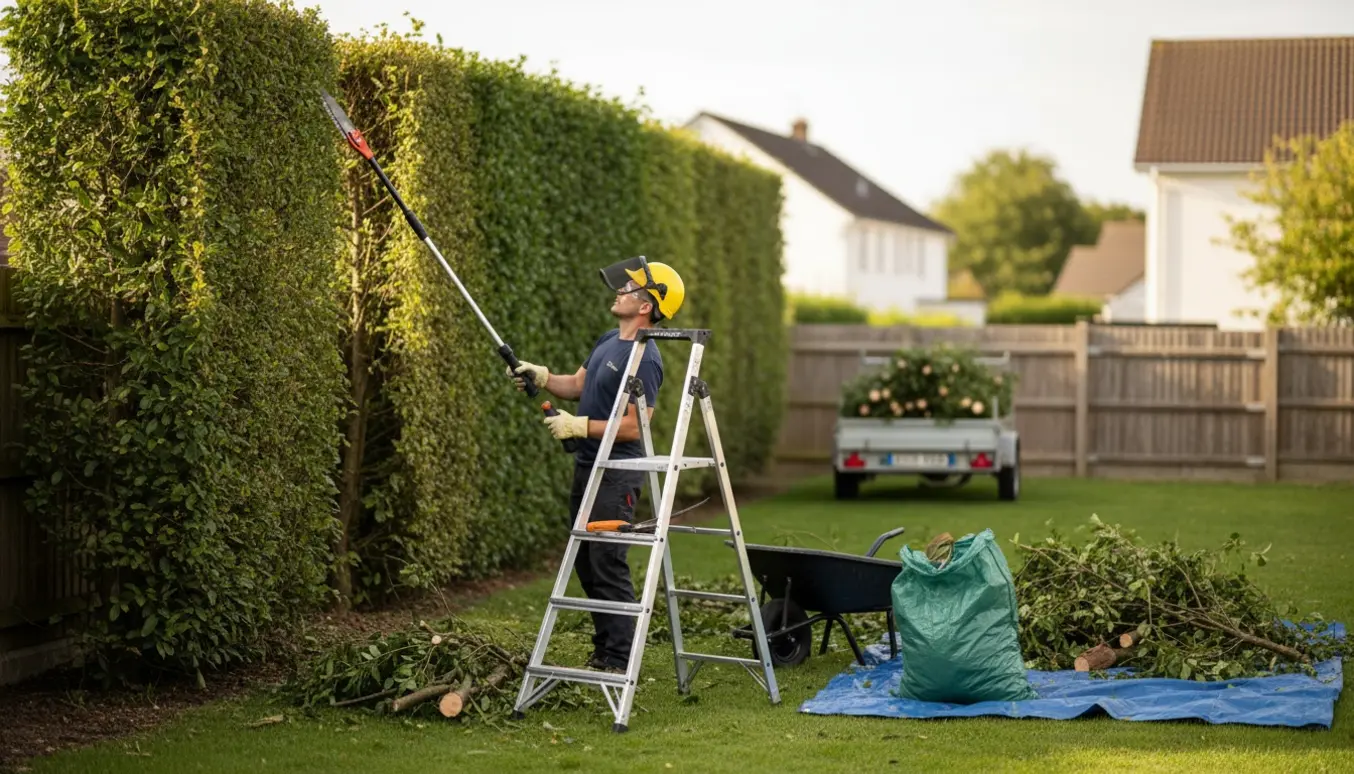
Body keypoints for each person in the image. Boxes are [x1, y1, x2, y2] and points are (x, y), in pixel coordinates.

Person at [507, 256, 686, 673]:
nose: (619, 291)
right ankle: (604, 649)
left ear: (646, 306)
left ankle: (620, 658)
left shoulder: (646, 359)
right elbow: (578, 384)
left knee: (607, 562)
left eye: (628, 289)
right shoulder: (610, 339)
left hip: (617, 472)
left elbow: (634, 426)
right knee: (587, 564)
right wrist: (542, 376)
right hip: (590, 465)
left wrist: (579, 425)